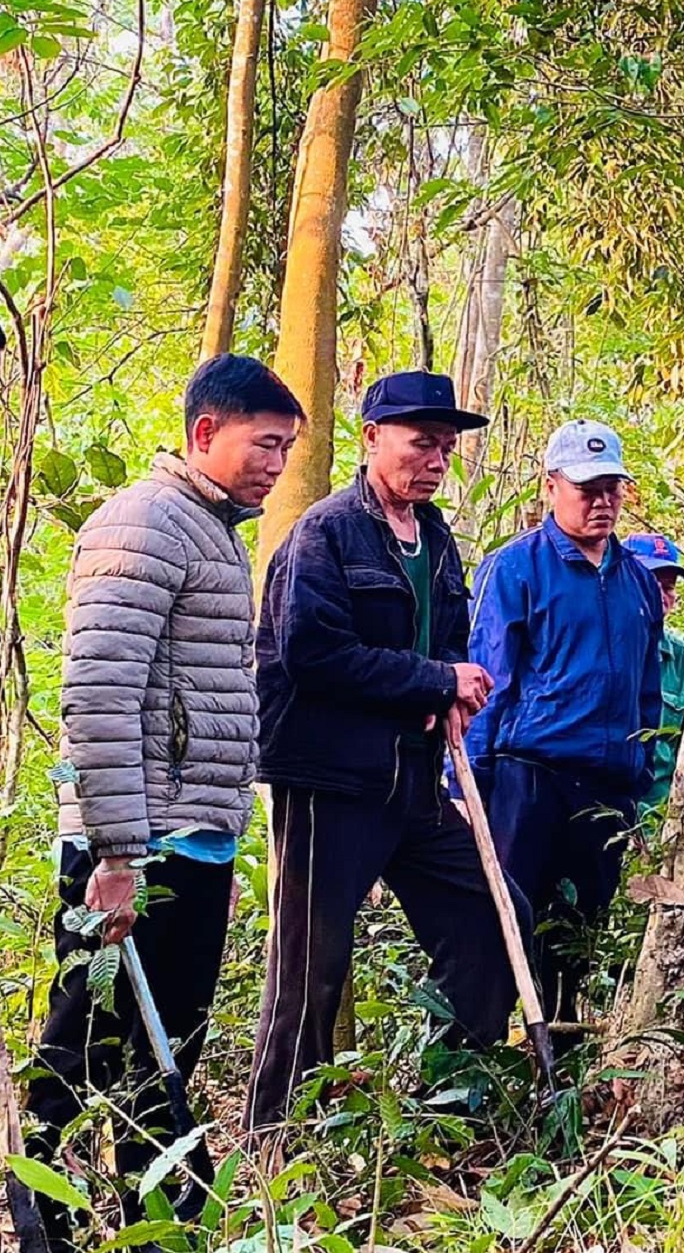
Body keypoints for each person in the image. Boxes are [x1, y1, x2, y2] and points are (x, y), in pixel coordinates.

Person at [27, 356, 303, 1247]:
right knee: (80, 1043)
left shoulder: (212, 531)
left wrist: (209, 839)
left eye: (287, 450)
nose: (275, 465)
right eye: (264, 444)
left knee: (162, 1046)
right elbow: (100, 691)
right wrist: (114, 853)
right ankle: (46, 1220)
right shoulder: (144, 522)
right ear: (204, 433)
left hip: (193, 839)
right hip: (134, 843)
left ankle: (155, 1218)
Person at [247, 370, 518, 1127]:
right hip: (331, 784)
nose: (435, 460)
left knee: (491, 912)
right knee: (312, 968)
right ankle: (275, 1140)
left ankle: (451, 1106)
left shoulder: (436, 540)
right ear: (371, 439)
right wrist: (434, 679)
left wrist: (456, 693)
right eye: (420, 443)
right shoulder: (326, 532)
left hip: (415, 783)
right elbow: (312, 653)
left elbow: (450, 643)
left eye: (445, 448)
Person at [459, 421, 664, 1048]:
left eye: (611, 488)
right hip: (529, 777)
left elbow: (647, 685)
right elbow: (483, 681)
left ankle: (564, 1057)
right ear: (551, 486)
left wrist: (644, 772)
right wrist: (468, 783)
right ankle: (483, 1055)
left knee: (580, 932)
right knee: (507, 924)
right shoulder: (515, 569)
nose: (601, 501)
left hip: (607, 788)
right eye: (585, 488)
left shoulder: (637, 581)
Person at [628, 532, 684, 828]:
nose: (661, 595)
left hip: (660, 826)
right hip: (603, 820)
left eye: (668, 587)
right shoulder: (598, 648)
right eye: (651, 584)